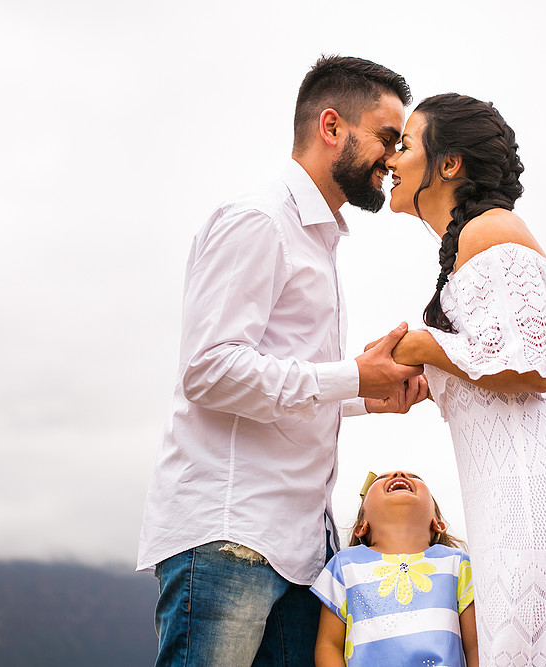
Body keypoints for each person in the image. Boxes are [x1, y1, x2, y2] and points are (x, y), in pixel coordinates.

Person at [137, 56, 429, 666]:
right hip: (231, 537)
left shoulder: (318, 241)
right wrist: (351, 375)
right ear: (331, 126)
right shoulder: (259, 220)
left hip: (300, 551)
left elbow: (281, 380)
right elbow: (210, 369)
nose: (394, 157)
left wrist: (366, 392)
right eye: (385, 137)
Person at [383, 93, 546, 665]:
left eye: (406, 144)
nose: (393, 159)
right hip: (524, 489)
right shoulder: (473, 241)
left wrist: (425, 345)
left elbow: (528, 364)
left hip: (543, 489)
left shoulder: (490, 229)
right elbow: (490, 363)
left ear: (449, 164)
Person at [312, 470, 479, 666]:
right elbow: (329, 645)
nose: (399, 474)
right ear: (361, 527)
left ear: (438, 523)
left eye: (415, 477)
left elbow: (476, 646)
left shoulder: (457, 563)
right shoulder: (344, 565)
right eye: (382, 478)